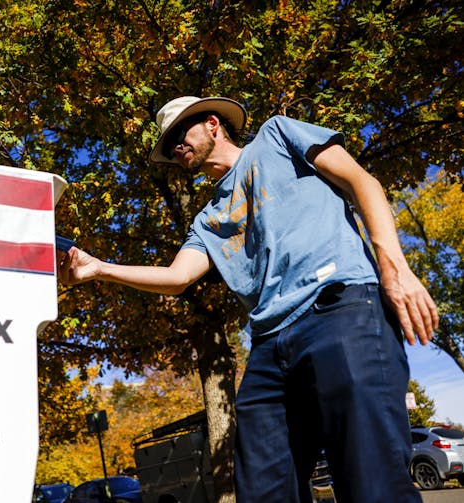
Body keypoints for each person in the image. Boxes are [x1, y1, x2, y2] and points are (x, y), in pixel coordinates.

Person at [58, 96, 439, 503]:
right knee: (263, 490)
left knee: (371, 482)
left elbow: (362, 182)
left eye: (178, 136)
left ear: (211, 124)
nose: (174, 149)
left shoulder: (277, 134)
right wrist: (100, 268)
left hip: (341, 310)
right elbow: (176, 277)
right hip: (270, 347)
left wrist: (394, 269)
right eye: (167, 147)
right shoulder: (207, 218)